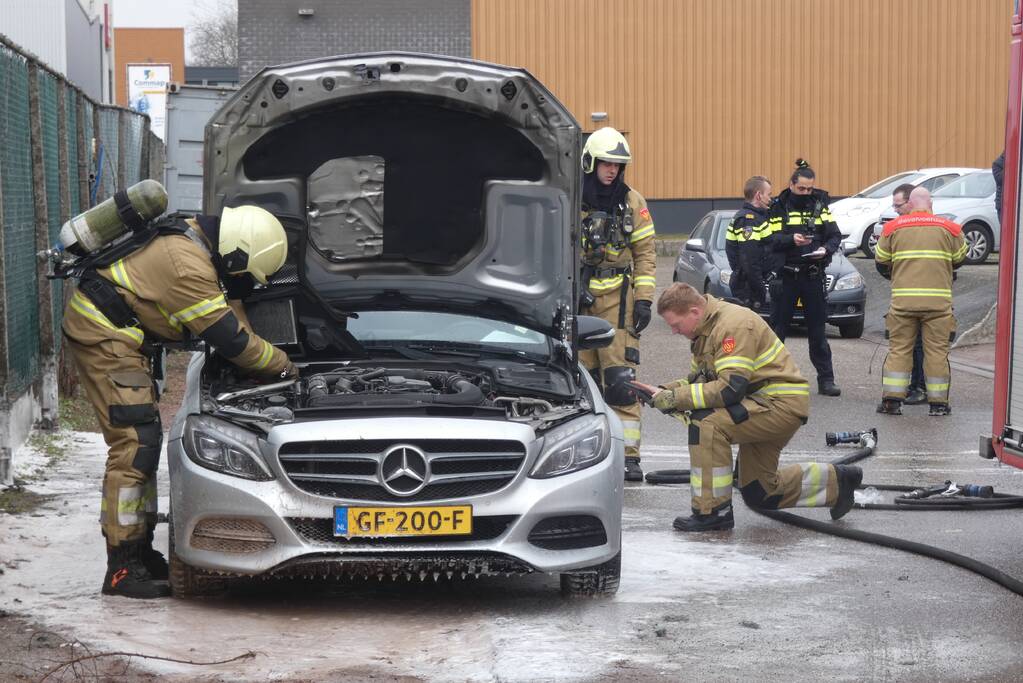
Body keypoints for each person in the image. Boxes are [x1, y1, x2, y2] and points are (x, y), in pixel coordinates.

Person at [62, 204, 297, 599]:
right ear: (235, 251)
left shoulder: (193, 243)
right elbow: (232, 339)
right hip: (105, 338)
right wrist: (284, 366)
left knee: (143, 443)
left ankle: (140, 552)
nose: (239, 278)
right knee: (134, 445)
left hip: (121, 338)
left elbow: (229, 313)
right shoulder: (187, 266)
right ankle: (122, 568)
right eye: (241, 270)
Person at [631, 284, 862, 531]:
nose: (675, 331)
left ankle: (712, 512)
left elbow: (729, 389)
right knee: (760, 492)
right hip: (759, 404)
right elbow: (700, 382)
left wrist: (674, 398)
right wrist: (661, 391)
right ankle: (838, 481)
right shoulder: (704, 332)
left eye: (676, 324)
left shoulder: (733, 326)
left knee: (707, 424)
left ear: (695, 311)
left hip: (778, 405)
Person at [578, 127, 656, 482]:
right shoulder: (570, 198)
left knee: (620, 379)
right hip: (577, 296)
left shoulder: (633, 202)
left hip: (619, 301)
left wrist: (643, 301)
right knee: (580, 379)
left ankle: (629, 456)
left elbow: (645, 254)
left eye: (618, 165)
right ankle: (583, 452)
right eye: (607, 163)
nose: (612, 170)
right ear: (590, 162)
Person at [875, 187, 966, 416]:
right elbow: (960, 257)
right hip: (938, 304)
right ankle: (938, 405)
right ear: (930, 203)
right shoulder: (950, 228)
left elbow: (881, 258)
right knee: (936, 352)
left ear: (910, 203)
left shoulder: (893, 227)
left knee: (899, 350)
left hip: (903, 303)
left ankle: (892, 402)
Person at [765, 159, 842, 397]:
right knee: (777, 332)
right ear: (791, 185)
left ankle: (826, 380)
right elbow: (768, 239)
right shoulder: (778, 207)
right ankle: (769, 380)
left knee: (818, 332)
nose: (806, 193)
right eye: (801, 189)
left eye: (809, 188)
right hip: (786, 277)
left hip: (812, 276)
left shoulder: (819, 206)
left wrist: (825, 250)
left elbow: (834, 235)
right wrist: (791, 240)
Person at [889, 183, 928, 406]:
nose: (895, 210)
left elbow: (882, 261)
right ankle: (922, 388)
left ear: (911, 203)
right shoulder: (941, 226)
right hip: (935, 297)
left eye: (899, 205)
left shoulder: (900, 229)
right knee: (924, 347)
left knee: (914, 346)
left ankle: (918, 387)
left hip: (910, 298)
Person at [725, 176, 772, 310]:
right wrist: (760, 287)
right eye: (769, 194)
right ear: (758, 195)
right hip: (748, 287)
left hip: (749, 283)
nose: (770, 199)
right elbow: (749, 260)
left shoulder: (758, 217)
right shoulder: (748, 220)